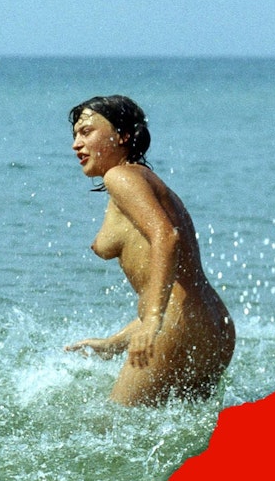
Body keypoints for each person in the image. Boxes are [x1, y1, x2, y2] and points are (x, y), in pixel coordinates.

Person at [62, 95, 235, 406]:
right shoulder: (146, 183)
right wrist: (115, 343)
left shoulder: (121, 177)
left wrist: (154, 320)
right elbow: (179, 283)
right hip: (214, 325)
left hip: (175, 324)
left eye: (86, 132)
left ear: (123, 135)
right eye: (75, 134)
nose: (76, 143)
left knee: (111, 432)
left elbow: (166, 237)